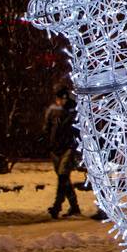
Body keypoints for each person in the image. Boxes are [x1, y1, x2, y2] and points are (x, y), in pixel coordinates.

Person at [43, 86, 82, 218]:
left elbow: (75, 131)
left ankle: (57, 206)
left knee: (63, 176)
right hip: (56, 148)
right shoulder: (54, 111)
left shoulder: (73, 112)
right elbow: (47, 128)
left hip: (68, 148)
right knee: (63, 178)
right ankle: (74, 206)